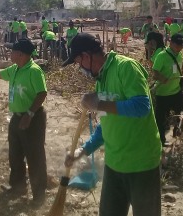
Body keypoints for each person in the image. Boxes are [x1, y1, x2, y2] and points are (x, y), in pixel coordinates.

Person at [63, 33, 162, 216]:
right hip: (114, 164)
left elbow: (142, 107)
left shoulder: (126, 67)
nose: (80, 68)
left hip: (141, 164)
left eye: (79, 62)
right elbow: (105, 126)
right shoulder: (101, 79)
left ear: (86, 56)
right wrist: (83, 150)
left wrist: (99, 104)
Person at [0, 39, 48, 204]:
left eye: (12, 51)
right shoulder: (16, 69)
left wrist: (29, 114)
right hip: (17, 117)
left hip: (33, 117)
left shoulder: (34, 71)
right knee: (15, 153)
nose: (10, 54)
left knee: (34, 156)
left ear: (21, 54)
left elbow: (42, 93)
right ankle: (17, 186)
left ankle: (39, 194)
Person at [151, 33, 183, 146]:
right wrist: (162, 78)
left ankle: (178, 132)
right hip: (163, 94)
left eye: (181, 45)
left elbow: (179, 68)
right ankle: (161, 140)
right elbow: (155, 72)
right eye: (177, 45)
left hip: (176, 91)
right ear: (171, 43)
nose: (179, 47)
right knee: (161, 119)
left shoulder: (179, 55)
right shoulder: (162, 56)